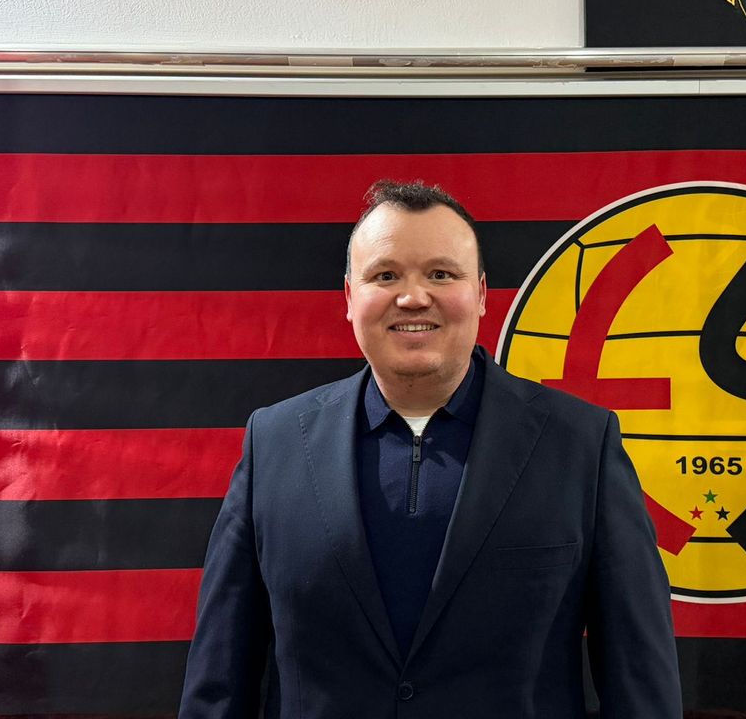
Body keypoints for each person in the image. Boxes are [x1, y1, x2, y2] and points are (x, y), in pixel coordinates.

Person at [178, 179, 681, 718]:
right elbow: (218, 685)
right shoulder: (274, 444)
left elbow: (641, 687)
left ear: (481, 294)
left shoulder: (580, 446)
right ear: (349, 298)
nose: (413, 297)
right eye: (385, 275)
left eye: (441, 274)